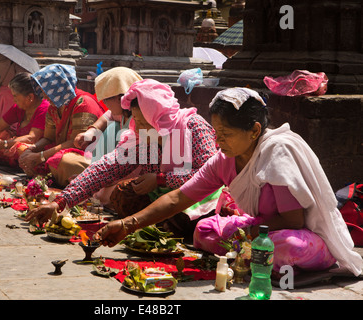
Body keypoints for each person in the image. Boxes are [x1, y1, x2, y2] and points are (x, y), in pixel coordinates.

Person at [94, 87, 363, 278]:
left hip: (299, 235)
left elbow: (293, 221)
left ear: (255, 130)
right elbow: (179, 198)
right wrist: (127, 225)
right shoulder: (224, 159)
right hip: (259, 231)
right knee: (204, 231)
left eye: (225, 133)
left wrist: (244, 234)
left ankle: (258, 258)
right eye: (216, 132)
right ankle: (250, 256)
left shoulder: (276, 153)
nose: (217, 140)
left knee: (286, 248)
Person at [25, 79, 219, 239]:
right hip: (162, 195)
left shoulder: (193, 126)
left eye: (144, 122)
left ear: (159, 116)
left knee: (190, 223)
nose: (139, 128)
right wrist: (61, 202)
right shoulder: (142, 139)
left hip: (199, 198)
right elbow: (106, 168)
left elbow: (209, 176)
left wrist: (160, 179)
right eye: (137, 122)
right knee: (123, 194)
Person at [18, 64, 106, 187]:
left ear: (57, 87)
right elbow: (48, 138)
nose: (43, 96)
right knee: (25, 152)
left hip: (87, 157)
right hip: (60, 152)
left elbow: (76, 143)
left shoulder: (83, 103)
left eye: (45, 90)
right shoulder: (53, 107)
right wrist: (32, 149)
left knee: (65, 161)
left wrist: (40, 156)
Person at [73, 66, 142, 204]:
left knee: (104, 196)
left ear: (119, 98)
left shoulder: (139, 120)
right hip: (118, 170)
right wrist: (91, 131)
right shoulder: (122, 114)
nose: (104, 103)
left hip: (137, 175)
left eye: (106, 99)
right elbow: (107, 116)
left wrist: (100, 181)